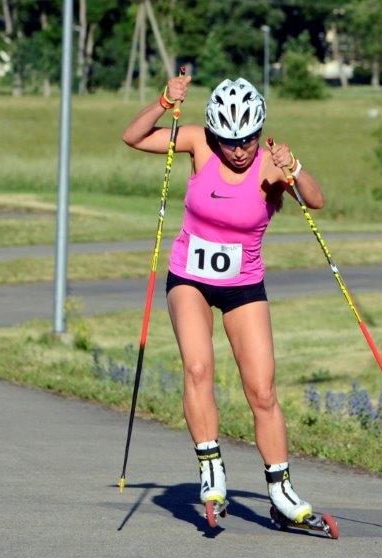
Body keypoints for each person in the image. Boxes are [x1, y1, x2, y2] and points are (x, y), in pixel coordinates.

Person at [122, 75, 325, 524]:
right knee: (198, 368)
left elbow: (315, 200)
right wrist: (164, 100)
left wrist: (294, 167)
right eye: (229, 141)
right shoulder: (199, 143)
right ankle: (211, 469)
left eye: (247, 139)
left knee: (262, 390)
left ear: (259, 131)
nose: (238, 150)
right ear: (216, 134)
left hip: (243, 284)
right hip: (189, 278)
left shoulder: (270, 166)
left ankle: (282, 492)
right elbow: (133, 137)